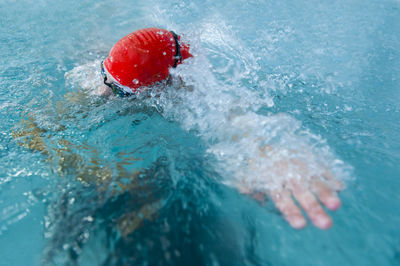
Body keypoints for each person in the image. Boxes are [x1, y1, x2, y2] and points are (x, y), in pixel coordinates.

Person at [97, 27, 343, 230]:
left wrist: (268, 155)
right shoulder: (116, 72)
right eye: (103, 74)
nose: (102, 91)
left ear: (163, 85)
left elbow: (231, 120)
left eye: (120, 90)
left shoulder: (187, 95)